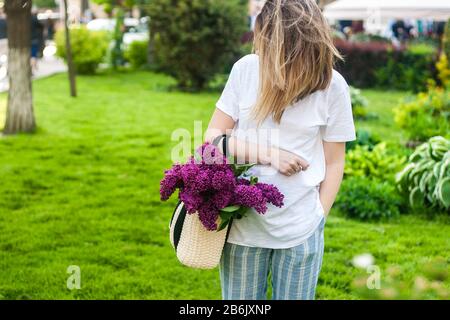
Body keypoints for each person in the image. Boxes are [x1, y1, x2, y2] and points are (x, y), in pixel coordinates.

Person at [205, 0, 355, 300]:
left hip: (301, 230)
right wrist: (269, 154)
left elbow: (335, 162)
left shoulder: (333, 87)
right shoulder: (246, 70)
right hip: (243, 229)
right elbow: (212, 140)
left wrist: (318, 216)